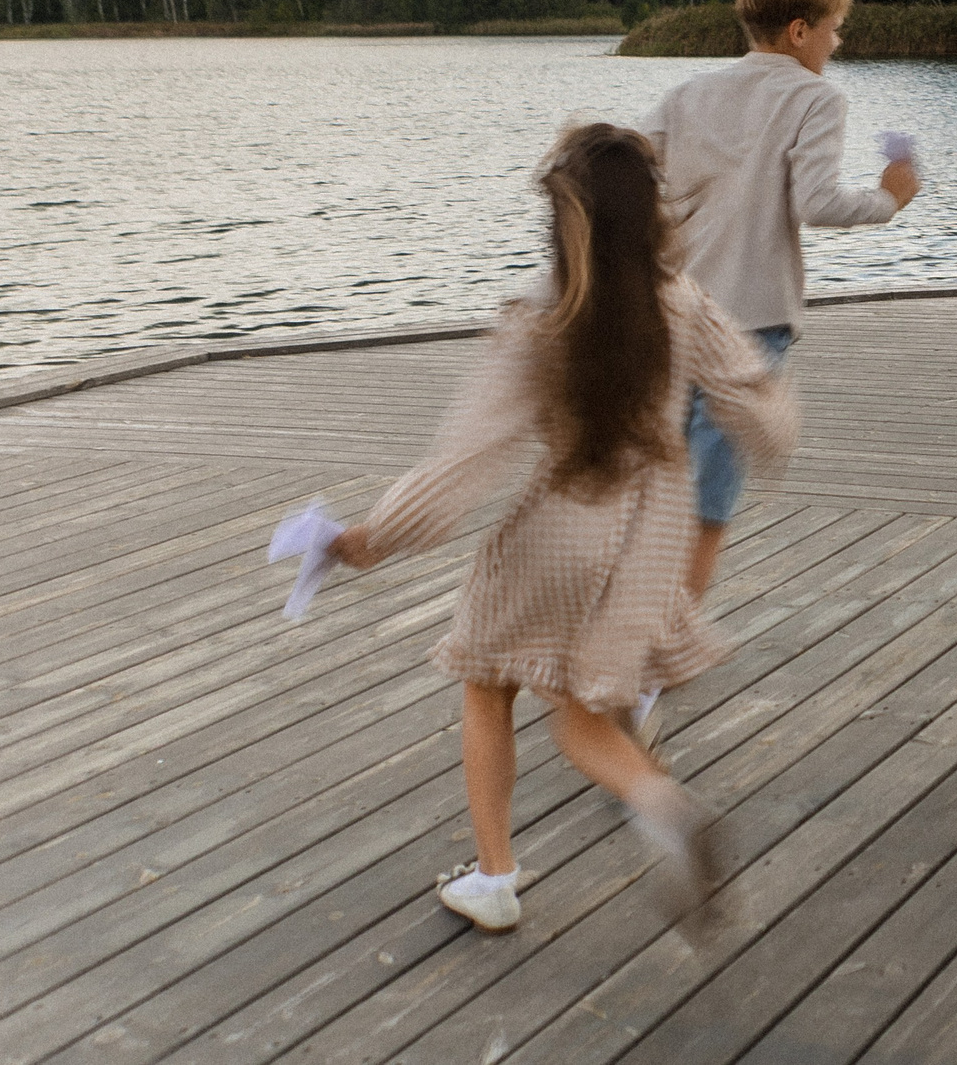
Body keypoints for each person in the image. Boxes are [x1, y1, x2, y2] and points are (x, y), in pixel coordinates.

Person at [325, 124, 795, 931]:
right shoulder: (686, 306)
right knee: (582, 715)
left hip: (553, 533)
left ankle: (495, 876)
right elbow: (762, 412)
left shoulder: (543, 314)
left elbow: (463, 463)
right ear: (654, 218)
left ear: (561, 222)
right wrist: (763, 436)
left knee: (487, 683)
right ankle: (665, 807)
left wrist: (369, 537)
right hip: (647, 543)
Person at [640, 0, 920, 611]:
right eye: (833, 28)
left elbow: (632, 182)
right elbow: (816, 202)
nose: (837, 40)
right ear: (800, 31)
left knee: (658, 480)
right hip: (749, 321)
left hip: (670, 316)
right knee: (711, 497)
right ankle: (660, 646)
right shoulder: (814, 97)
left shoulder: (685, 94)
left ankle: (630, 625)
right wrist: (890, 197)